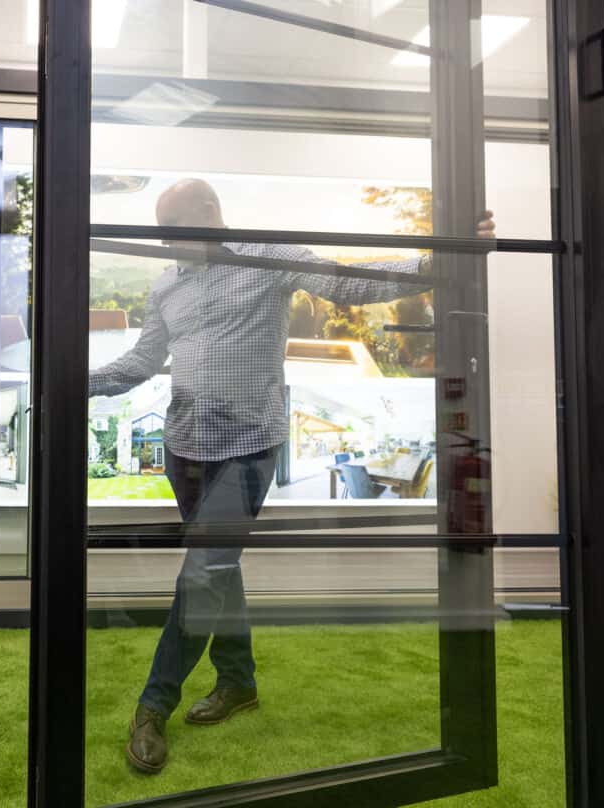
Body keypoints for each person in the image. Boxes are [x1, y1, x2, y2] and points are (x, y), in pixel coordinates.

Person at [89, 179, 492, 774]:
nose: (170, 242)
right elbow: (143, 361)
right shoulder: (167, 282)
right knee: (218, 570)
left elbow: (349, 282)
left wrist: (438, 259)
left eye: (176, 227)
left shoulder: (268, 255)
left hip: (248, 446)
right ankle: (238, 683)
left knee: (203, 573)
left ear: (209, 213)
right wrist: (73, 377)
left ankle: (153, 705)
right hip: (184, 448)